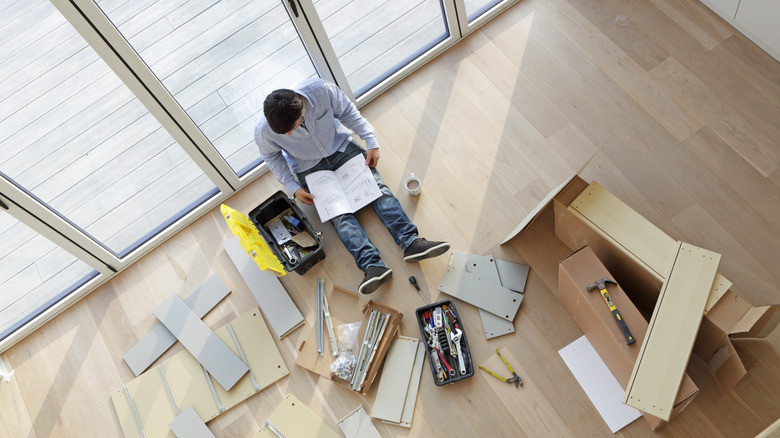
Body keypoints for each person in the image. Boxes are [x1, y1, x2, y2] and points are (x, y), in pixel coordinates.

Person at [255, 78, 450, 295]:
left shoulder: (321, 90)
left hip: (341, 147)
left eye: (291, 129)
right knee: (338, 214)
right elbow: (272, 157)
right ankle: (372, 266)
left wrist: (371, 142)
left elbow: (348, 112)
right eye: (285, 134)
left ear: (300, 107)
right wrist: (293, 187)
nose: (289, 135)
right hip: (307, 166)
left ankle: (411, 242)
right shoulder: (263, 131)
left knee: (377, 190)